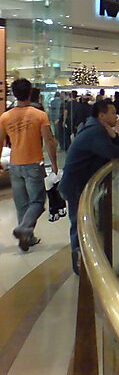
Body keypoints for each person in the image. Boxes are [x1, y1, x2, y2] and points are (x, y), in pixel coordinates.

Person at [59, 98, 119, 274]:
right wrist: (117, 140)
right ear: (102, 115)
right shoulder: (95, 132)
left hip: (80, 183)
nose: (116, 115)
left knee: (83, 220)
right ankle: (79, 263)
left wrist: (114, 136)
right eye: (113, 112)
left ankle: (84, 258)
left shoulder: (98, 129)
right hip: (76, 185)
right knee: (78, 222)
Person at [0, 79, 59, 252]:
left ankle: (27, 238)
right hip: (33, 164)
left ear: (14, 93)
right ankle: (24, 230)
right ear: (30, 92)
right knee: (38, 202)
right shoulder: (39, 115)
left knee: (22, 204)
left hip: (15, 164)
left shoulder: (5, 116)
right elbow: (49, 140)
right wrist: (54, 164)